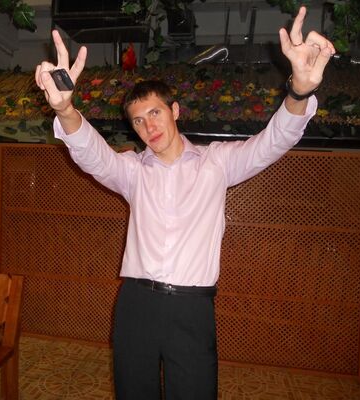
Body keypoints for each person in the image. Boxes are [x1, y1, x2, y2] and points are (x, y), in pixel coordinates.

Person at [35, 6, 335, 399]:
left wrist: (299, 92)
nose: (149, 126)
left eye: (155, 112)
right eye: (138, 120)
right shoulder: (131, 171)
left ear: (175, 111)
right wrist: (64, 109)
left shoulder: (217, 163)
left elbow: (273, 141)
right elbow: (92, 154)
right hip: (136, 303)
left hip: (192, 309)